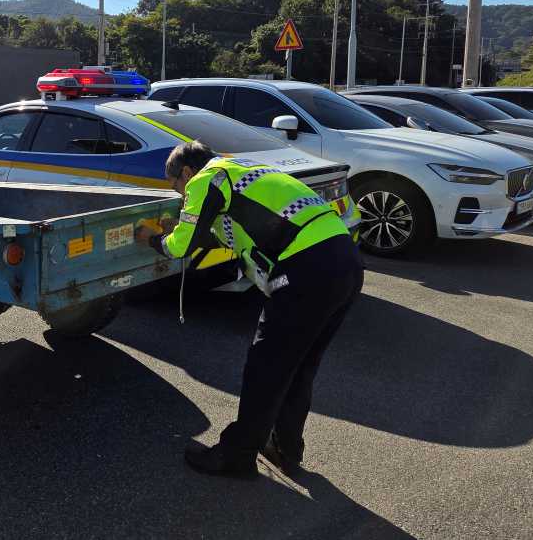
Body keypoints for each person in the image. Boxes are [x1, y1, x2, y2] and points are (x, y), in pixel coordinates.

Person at [136, 140, 363, 479]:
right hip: (345, 261)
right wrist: (187, 227)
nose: (180, 195)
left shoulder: (207, 178)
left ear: (186, 171)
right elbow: (235, 229)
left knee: (265, 367)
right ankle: (285, 447)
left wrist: (151, 238)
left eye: (176, 186)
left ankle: (236, 456)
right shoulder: (246, 170)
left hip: (305, 270)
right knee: (300, 364)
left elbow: (181, 247)